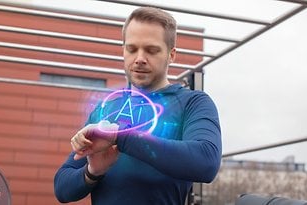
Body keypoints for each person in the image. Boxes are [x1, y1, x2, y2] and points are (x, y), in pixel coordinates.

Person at [54, 6, 222, 205]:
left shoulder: (193, 103)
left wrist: (120, 138)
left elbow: (206, 163)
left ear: (171, 54)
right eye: (132, 49)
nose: (140, 59)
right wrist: (92, 172)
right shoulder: (107, 109)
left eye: (151, 50)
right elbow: (62, 188)